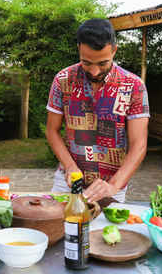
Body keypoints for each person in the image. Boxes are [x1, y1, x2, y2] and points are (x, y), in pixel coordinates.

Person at [46, 18, 149, 203]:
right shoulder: (62, 80)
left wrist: (113, 186)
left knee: (105, 232)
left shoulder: (134, 86)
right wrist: (69, 166)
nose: (94, 72)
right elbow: (52, 131)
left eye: (102, 63)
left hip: (112, 187)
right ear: (79, 49)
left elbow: (138, 144)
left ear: (114, 50)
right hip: (66, 183)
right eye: (87, 63)